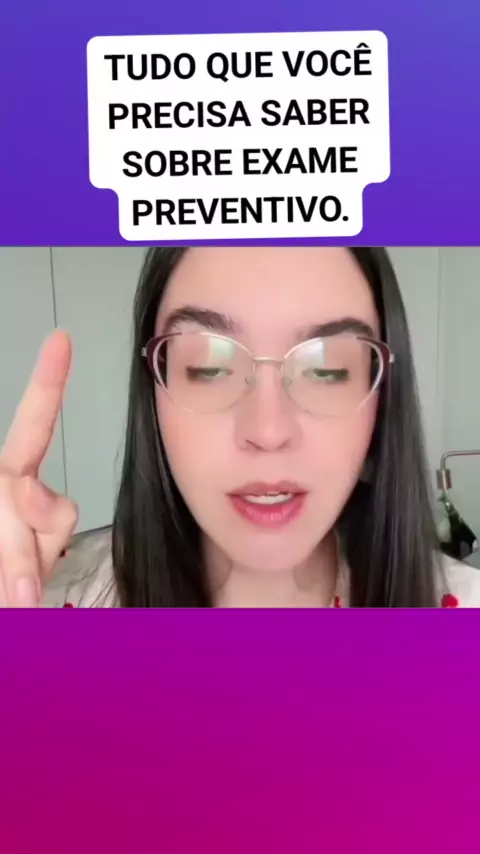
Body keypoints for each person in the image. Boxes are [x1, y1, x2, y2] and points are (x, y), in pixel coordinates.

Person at [1, 246, 479, 608]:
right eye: (209, 367)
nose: (268, 431)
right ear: (154, 388)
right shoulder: (45, 605)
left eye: (326, 369)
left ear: (382, 395)